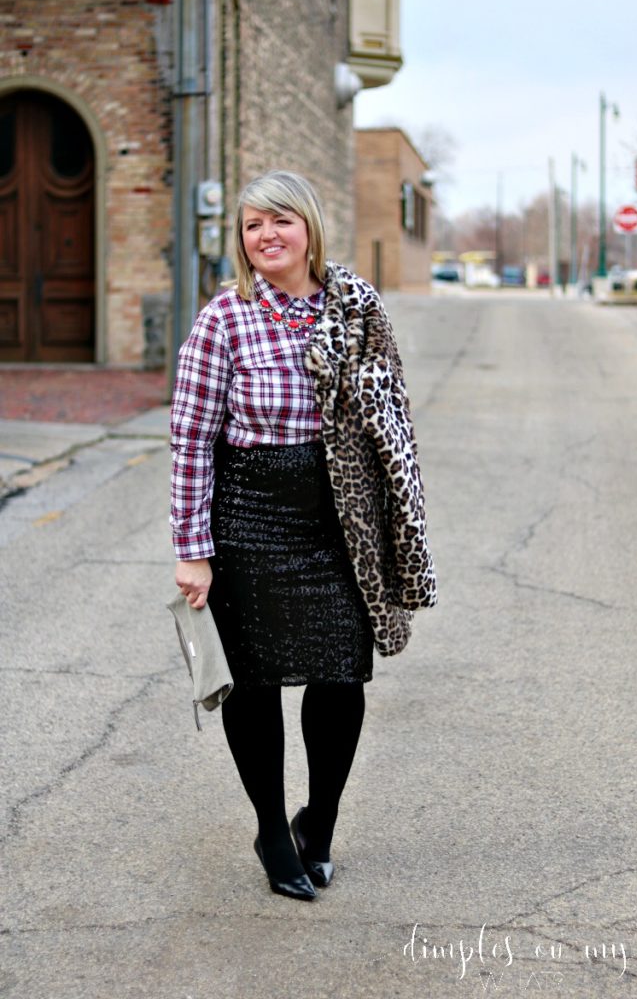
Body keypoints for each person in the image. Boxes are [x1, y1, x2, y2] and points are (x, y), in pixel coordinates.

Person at [170, 170, 436, 901]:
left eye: (280, 222)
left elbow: (392, 419)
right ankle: (267, 826)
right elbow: (190, 439)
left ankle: (318, 823)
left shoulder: (353, 308)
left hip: (336, 523)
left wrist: (393, 523)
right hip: (250, 518)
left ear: (309, 228)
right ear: (242, 240)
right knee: (254, 683)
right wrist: (192, 548)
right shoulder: (224, 318)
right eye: (253, 226)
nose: (267, 237)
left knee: (340, 675)